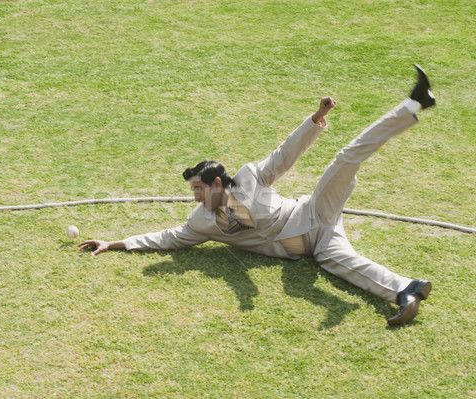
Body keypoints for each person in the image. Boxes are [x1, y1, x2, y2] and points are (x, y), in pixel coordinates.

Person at [79, 64, 436, 326]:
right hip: (310, 245)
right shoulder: (202, 222)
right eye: (193, 190)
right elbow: (169, 238)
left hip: (314, 211)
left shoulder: (250, 177)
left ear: (218, 184)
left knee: (346, 158)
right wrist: (116, 243)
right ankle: (406, 289)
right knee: (340, 264)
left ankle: (412, 105)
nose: (195, 197)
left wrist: (316, 118)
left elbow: (285, 155)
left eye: (198, 188)